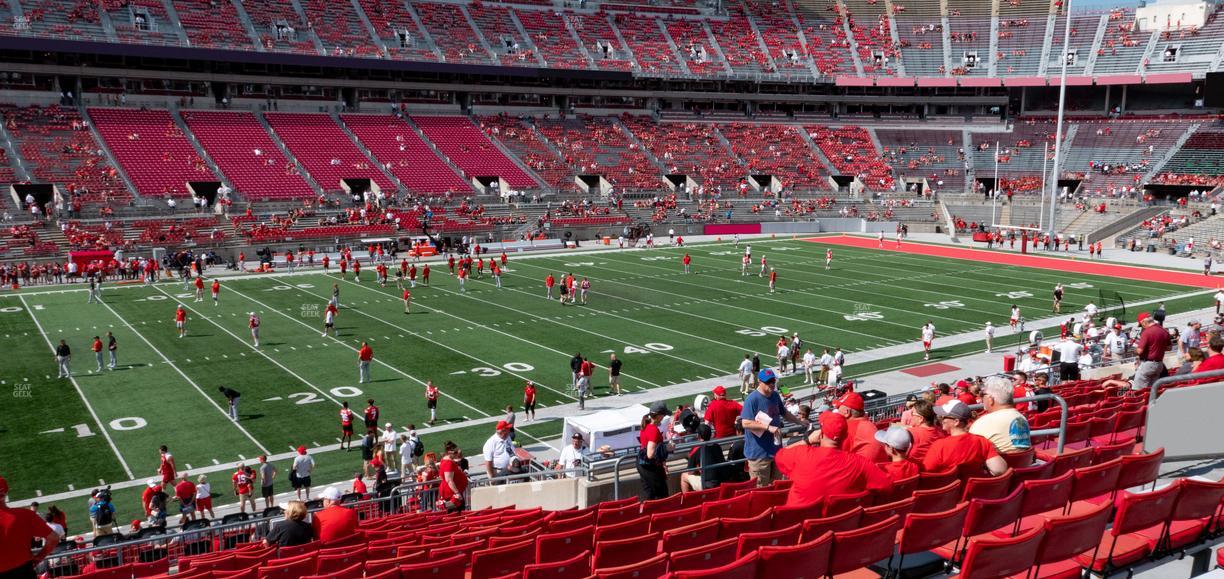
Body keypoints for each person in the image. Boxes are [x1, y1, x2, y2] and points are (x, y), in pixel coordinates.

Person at [774, 412, 892, 507]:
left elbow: (779, 455)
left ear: (820, 434)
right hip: (842, 528)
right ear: (845, 436)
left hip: (798, 529)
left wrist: (807, 441)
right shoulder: (860, 462)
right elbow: (887, 485)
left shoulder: (801, 454)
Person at [740, 368, 809, 486]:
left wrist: (799, 422)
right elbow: (745, 423)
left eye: (773, 381)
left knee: (776, 485)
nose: (772, 384)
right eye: (768, 382)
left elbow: (784, 413)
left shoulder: (775, 396)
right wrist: (768, 427)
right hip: (759, 454)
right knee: (761, 489)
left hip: (776, 450)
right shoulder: (752, 399)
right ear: (759, 382)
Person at [922, 401, 1008, 476]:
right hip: (977, 490)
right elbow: (999, 469)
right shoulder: (981, 441)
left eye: (944, 416)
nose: (941, 419)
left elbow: (926, 472)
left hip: (951, 492)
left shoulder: (939, 446)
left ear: (956, 422)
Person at [0, 475, 60, 579]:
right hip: (24, 570)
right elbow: (54, 538)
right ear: (5, 492)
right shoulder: (26, 515)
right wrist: (39, 557)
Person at [969, 377, 1032, 454]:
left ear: (990, 399)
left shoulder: (981, 423)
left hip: (1000, 464)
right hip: (1024, 464)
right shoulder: (1021, 417)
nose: (981, 397)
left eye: (983, 394)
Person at [835, 391, 886, 462]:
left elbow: (835, 455)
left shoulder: (850, 428)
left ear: (847, 412)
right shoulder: (868, 423)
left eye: (838, 408)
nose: (837, 411)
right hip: (877, 467)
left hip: (864, 470)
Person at [638, 401, 673, 499]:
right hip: (652, 468)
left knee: (649, 495)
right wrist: (667, 448)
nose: (664, 417)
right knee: (662, 497)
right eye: (663, 415)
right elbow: (650, 454)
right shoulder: (653, 430)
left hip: (645, 466)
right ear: (658, 416)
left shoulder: (646, 425)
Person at [681, 424, 729, 492]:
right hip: (721, 481)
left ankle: (687, 501)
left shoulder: (696, 449)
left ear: (698, 436)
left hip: (707, 485)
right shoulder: (717, 446)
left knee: (683, 476)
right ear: (710, 434)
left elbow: (690, 472)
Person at [1133, 311, 1171, 392]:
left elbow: (1139, 351)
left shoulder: (1146, 332)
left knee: (1137, 390)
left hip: (1148, 364)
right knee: (1152, 390)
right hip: (1159, 365)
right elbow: (1169, 348)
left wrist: (1134, 351)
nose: (1142, 326)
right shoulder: (1163, 330)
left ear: (1143, 321)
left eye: (1141, 324)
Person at [438, 441, 467, 513]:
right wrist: (457, 493)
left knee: (454, 512)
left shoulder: (445, 460)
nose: (457, 454)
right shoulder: (448, 463)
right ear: (449, 452)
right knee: (458, 513)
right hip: (452, 494)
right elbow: (449, 480)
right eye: (455, 452)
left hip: (450, 492)